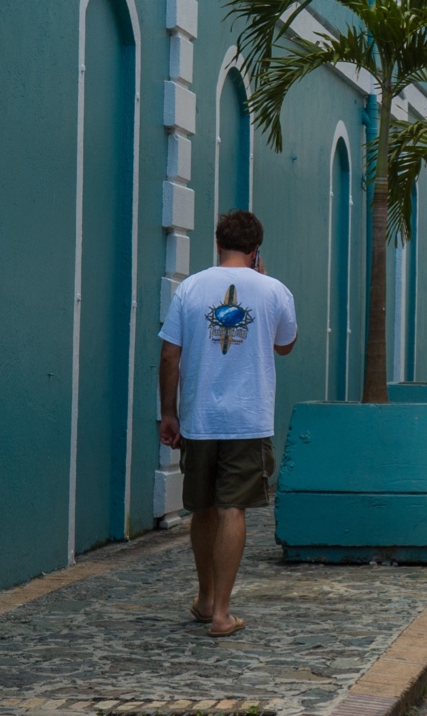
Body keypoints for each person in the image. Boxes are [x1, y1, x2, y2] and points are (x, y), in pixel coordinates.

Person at [158, 210, 297, 638]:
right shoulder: (274, 289)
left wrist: (169, 412)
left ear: (218, 243)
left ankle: (203, 599)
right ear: (257, 249)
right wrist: (265, 280)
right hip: (248, 420)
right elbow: (285, 345)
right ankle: (222, 612)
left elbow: (169, 356)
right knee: (232, 507)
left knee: (202, 508)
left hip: (199, 419)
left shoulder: (190, 287)